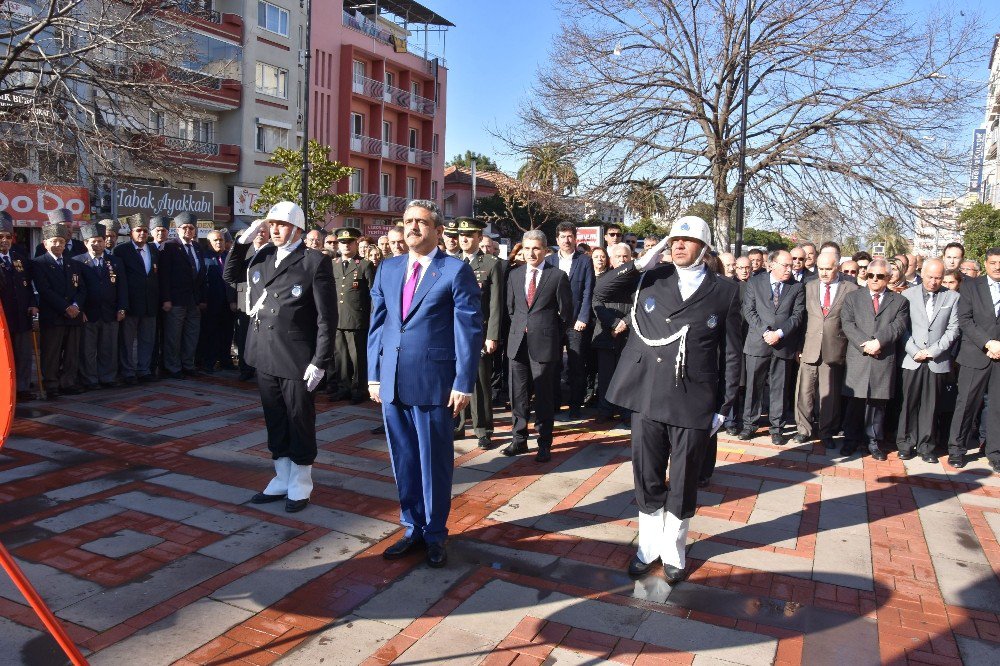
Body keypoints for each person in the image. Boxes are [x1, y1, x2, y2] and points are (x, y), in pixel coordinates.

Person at [595, 216, 741, 583]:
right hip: (648, 393)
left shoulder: (726, 291)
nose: (677, 246)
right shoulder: (650, 278)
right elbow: (602, 293)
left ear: (703, 249)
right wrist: (640, 262)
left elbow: (732, 353)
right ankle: (648, 548)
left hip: (694, 398)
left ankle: (674, 550)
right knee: (647, 474)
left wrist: (724, 406)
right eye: (673, 240)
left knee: (685, 475)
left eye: (687, 241)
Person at [369, 199, 482, 568]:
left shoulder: (454, 271)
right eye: (407, 221)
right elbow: (378, 327)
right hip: (393, 382)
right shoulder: (388, 268)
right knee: (402, 459)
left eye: (421, 222)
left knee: (434, 462)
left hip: (435, 383)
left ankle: (435, 533)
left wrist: (463, 382)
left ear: (437, 230)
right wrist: (373, 375)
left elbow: (469, 331)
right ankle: (412, 528)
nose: (413, 227)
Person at [224, 201, 336, 512]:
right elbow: (231, 275)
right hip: (263, 352)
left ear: (297, 229)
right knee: (275, 417)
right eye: (271, 224)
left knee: (299, 418)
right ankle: (281, 478)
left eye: (282, 224)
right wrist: (242, 241)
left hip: (297, 357)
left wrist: (320, 360)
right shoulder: (263, 255)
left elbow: (327, 318)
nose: (274, 229)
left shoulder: (314, 261)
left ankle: (301, 482)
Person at [504, 229, 572, 461]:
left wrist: (550, 333)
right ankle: (519, 440)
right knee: (518, 395)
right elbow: (511, 308)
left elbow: (566, 313)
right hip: (517, 343)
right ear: (521, 250)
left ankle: (544, 443)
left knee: (543, 396)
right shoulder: (514, 275)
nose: (531, 253)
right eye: (527, 248)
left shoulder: (557, 276)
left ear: (545, 250)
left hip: (544, 344)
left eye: (536, 248)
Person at [840, 258, 910, 460]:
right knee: (855, 402)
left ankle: (873, 441)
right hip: (859, 355)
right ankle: (850, 440)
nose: (875, 279)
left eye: (880, 276)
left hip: (882, 356)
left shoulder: (900, 301)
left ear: (888, 277)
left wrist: (879, 342)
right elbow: (848, 323)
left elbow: (898, 325)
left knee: (877, 404)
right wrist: (866, 343)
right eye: (871, 275)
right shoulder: (853, 297)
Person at [739, 249, 805, 445]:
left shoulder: (797, 287)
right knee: (753, 385)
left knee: (780, 387)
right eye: (785, 265)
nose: (789, 269)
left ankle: (777, 428)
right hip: (758, 342)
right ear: (772, 264)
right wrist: (765, 332)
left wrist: (779, 333)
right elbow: (749, 311)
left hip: (783, 343)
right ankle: (750, 425)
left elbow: (797, 315)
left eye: (791, 265)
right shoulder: (755, 282)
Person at [895, 259, 959, 462]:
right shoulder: (907, 295)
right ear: (923, 274)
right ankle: (905, 443)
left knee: (931, 406)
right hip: (912, 358)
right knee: (908, 403)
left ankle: (926, 446)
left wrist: (933, 351)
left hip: (936, 360)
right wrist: (914, 350)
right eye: (930, 277)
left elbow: (953, 329)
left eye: (938, 278)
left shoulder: (952, 297)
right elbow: (902, 327)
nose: (934, 281)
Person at [794, 251, 858, 449]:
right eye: (820, 268)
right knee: (804, 391)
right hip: (809, 347)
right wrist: (798, 347)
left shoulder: (851, 289)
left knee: (829, 396)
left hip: (834, 350)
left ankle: (827, 432)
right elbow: (800, 319)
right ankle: (803, 430)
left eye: (828, 269)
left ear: (837, 267)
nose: (823, 273)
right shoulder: (808, 286)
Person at [947, 247, 1000, 472]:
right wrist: (988, 343)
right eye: (993, 262)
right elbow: (965, 320)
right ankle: (956, 450)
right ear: (986, 264)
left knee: (997, 408)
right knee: (966, 404)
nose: (998, 266)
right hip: (976, 354)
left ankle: (994, 452)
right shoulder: (971, 286)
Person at [455, 217, 503, 449]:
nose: (464, 239)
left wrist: (491, 335)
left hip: (479, 333)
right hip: (454, 334)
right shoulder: (451, 262)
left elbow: (495, 304)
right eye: (461, 235)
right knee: (456, 380)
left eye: (469, 235)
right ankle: (457, 425)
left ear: (478, 237)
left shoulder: (491, 264)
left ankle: (483, 429)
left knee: (481, 383)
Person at [32, 211, 87, 398]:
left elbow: (81, 289)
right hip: (54, 315)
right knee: (51, 353)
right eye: (54, 241)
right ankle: (51, 384)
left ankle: (68, 382)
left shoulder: (73, 264)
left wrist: (76, 306)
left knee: (72, 352)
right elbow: (45, 290)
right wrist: (66, 307)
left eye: (61, 242)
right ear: (46, 243)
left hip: (74, 316)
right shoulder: (39, 263)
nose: (58, 244)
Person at [546, 221, 596, 420]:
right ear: (557, 239)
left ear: (575, 238)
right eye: (563, 237)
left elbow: (588, 291)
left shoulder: (584, 261)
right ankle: (556, 403)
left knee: (576, 365)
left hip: (576, 322)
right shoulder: (549, 261)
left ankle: (575, 405)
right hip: (553, 322)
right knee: (553, 364)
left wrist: (583, 317)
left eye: (570, 236)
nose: (567, 240)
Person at [74, 222, 127, 389]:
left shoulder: (115, 261)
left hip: (110, 312)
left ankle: (107, 377)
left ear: (105, 242)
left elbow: (122, 287)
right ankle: (90, 379)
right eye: (93, 241)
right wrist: (80, 310)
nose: (97, 244)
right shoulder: (77, 262)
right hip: (88, 313)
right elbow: (75, 289)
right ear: (86, 243)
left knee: (108, 347)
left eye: (100, 240)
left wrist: (122, 307)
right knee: (88, 349)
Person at [329, 226, 375, 403]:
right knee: (340, 357)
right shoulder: (333, 265)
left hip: (357, 319)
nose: (345, 246)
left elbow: (373, 295)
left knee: (357, 358)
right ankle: (343, 387)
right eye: (342, 242)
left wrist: (371, 318)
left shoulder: (364, 265)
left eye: (349, 242)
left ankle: (358, 389)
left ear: (356, 243)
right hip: (338, 318)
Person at [159, 212, 207, 379]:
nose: (188, 230)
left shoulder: (199, 247)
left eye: (191, 228)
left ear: (195, 230)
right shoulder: (170, 247)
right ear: (177, 229)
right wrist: (166, 299)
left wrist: (201, 298)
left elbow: (201, 274)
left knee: (191, 334)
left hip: (193, 300)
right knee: (174, 336)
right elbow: (164, 275)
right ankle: (172, 366)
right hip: (176, 300)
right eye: (184, 227)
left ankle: (188, 364)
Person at [114, 215, 160, 384]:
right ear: (131, 232)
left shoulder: (153, 250)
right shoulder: (121, 250)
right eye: (138, 230)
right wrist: (122, 305)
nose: (142, 233)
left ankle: (144, 369)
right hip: (130, 304)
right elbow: (119, 280)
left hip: (150, 304)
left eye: (145, 231)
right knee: (126, 340)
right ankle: (127, 372)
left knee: (147, 339)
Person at [592, 242, 633, 427]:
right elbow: (597, 304)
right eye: (618, 256)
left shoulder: (638, 279)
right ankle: (605, 410)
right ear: (611, 259)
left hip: (629, 335)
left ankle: (626, 412)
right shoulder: (604, 279)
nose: (622, 260)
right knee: (606, 376)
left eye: (625, 256)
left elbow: (641, 305)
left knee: (627, 377)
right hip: (606, 333)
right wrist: (615, 323)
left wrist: (626, 322)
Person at [0, 211, 39, 400]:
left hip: (21, 315)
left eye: (8, 236)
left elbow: (29, 285)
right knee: (5, 356)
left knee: (23, 354)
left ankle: (22, 388)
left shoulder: (20, 256)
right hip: (3, 318)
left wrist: (33, 304)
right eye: (0, 237)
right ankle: (6, 389)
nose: (4, 241)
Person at [230, 221, 270, 382]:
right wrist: (232, 300)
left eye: (263, 231)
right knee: (244, 337)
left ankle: (262, 368)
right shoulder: (244, 251)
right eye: (257, 231)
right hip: (245, 301)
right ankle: (245, 368)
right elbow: (230, 276)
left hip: (265, 302)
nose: (260, 234)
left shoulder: (272, 251)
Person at [197, 230, 236, 373]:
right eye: (215, 240)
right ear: (209, 243)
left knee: (227, 333)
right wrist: (202, 299)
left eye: (221, 240)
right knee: (210, 333)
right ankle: (209, 361)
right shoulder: (204, 258)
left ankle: (225, 360)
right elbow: (201, 281)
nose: (219, 243)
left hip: (227, 303)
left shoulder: (228, 256)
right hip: (211, 303)